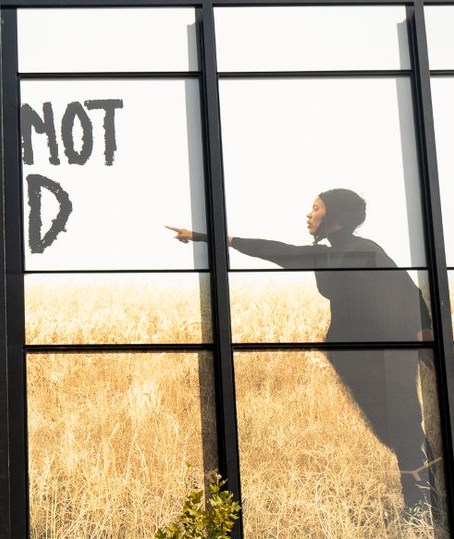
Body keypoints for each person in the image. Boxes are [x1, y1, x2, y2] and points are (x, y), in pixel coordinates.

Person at [168, 188, 438, 512]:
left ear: (334, 217)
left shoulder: (365, 251)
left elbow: (406, 289)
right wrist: (204, 237)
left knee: (403, 426)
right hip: (358, 355)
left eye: (316, 208)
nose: (308, 215)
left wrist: (423, 334)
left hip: (387, 350)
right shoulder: (325, 255)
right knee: (394, 429)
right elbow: (274, 250)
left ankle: (423, 505)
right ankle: (424, 499)